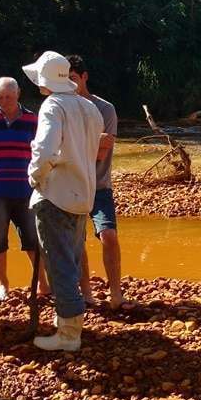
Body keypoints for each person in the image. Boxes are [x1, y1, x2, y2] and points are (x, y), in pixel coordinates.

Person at [24, 51, 103, 351]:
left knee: (60, 265)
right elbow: (90, 150)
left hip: (56, 195)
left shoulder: (53, 106)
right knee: (70, 258)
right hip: (83, 194)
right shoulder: (88, 106)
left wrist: (35, 177)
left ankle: (69, 335)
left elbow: (44, 150)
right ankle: (69, 324)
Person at [0, 77, 50, 302]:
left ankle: (42, 283)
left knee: (33, 240)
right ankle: (2, 284)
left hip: (26, 191)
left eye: (9, 96)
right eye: (0, 97)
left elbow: (47, 149)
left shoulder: (34, 120)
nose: (4, 101)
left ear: (18, 94)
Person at [66, 55, 129, 309]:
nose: (70, 85)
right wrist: (95, 139)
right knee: (77, 241)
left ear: (84, 77)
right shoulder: (62, 107)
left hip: (99, 185)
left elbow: (100, 154)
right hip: (71, 185)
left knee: (109, 236)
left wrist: (75, 145)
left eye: (73, 79)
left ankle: (116, 293)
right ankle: (87, 294)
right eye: (66, 80)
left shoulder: (105, 109)